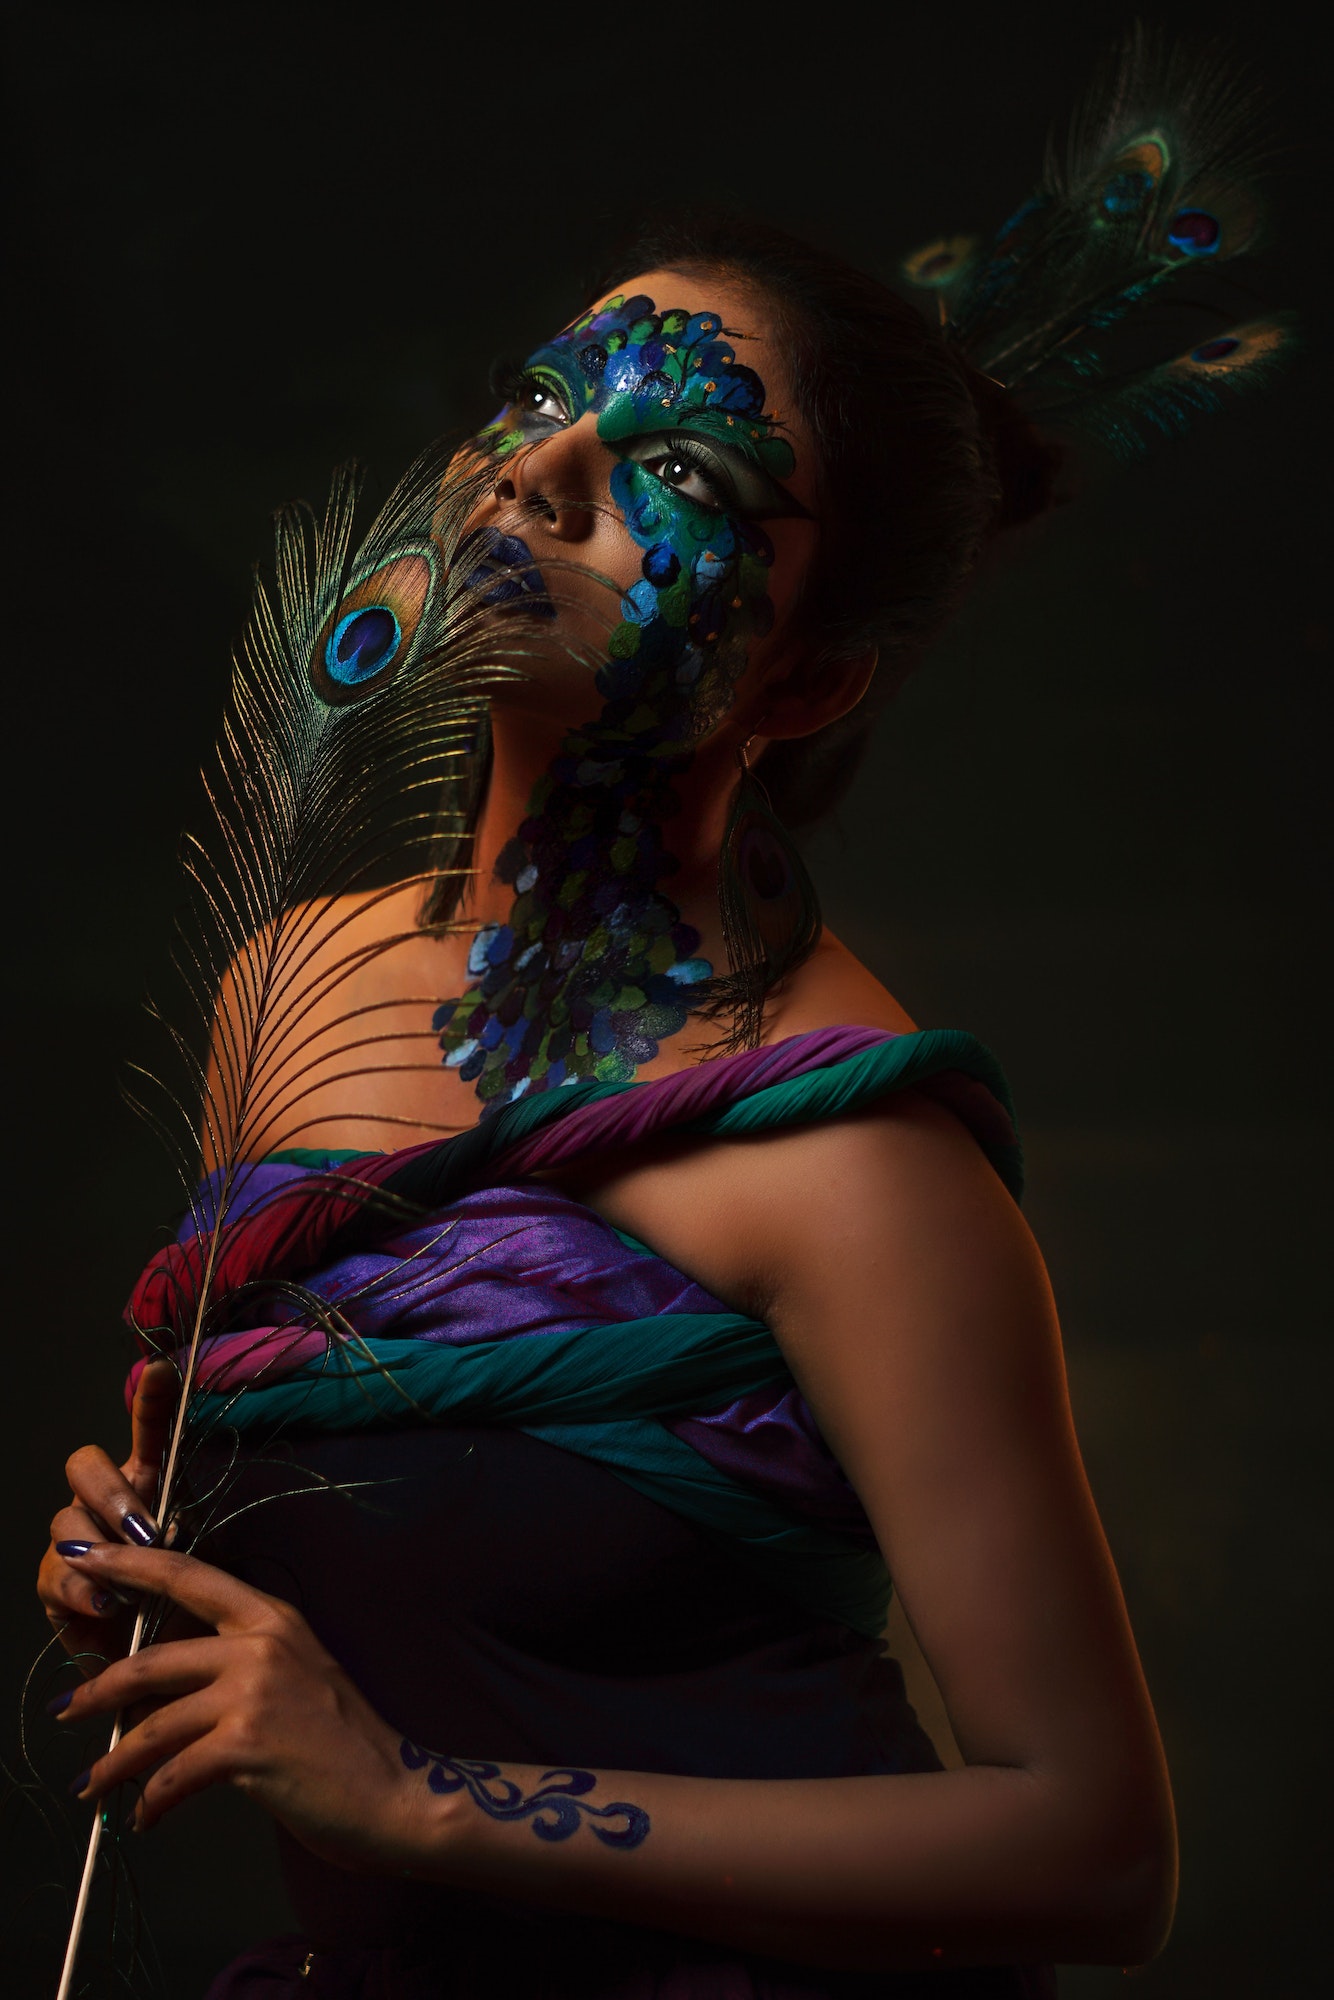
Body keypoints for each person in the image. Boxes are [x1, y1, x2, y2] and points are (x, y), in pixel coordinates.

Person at [39, 98, 1281, 1986]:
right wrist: (159, 1556)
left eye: (672, 471)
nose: (538, 471)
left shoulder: (847, 1164)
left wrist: (412, 1791)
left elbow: (1094, 1852)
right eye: (539, 398)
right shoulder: (287, 991)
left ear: (805, 677)